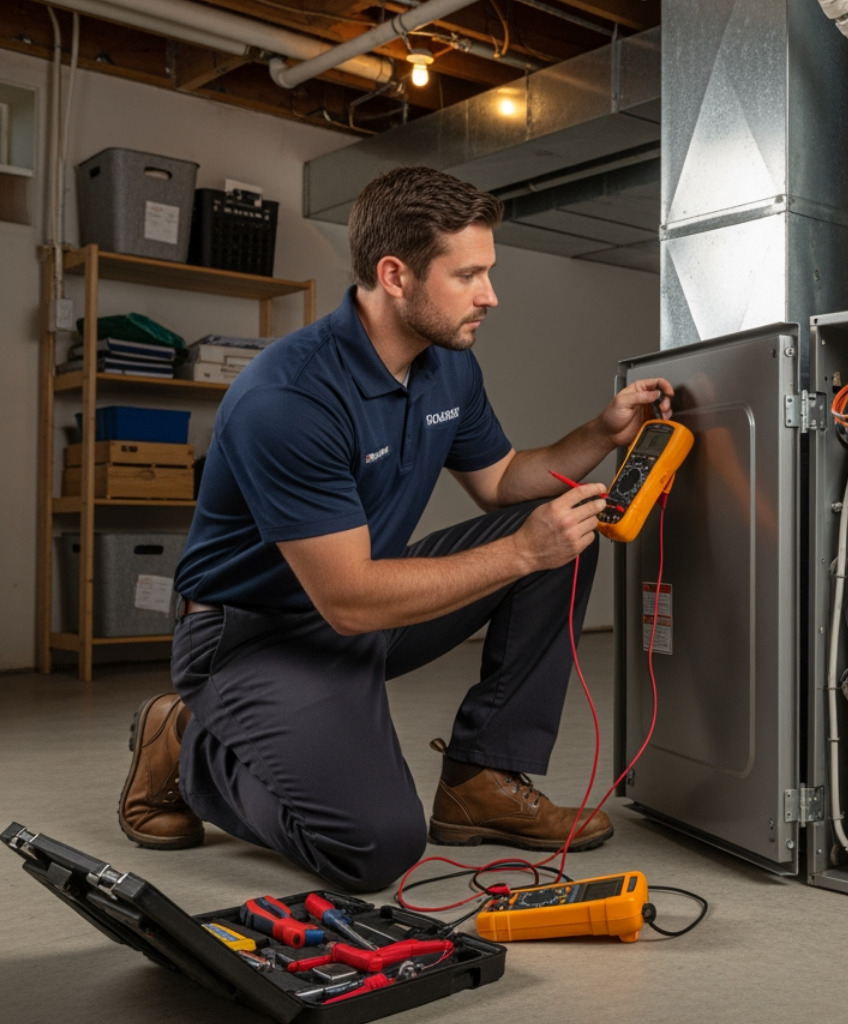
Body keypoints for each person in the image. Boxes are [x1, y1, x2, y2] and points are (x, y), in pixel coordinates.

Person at [116, 165, 673, 892]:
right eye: (468, 274)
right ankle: (188, 743)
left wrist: (602, 430)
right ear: (396, 275)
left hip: (361, 610)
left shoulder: (446, 367)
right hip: (256, 636)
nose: (490, 295)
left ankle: (481, 780)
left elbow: (502, 482)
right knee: (373, 847)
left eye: (489, 272)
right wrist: (518, 551)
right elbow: (347, 600)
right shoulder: (291, 398)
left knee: (559, 536)